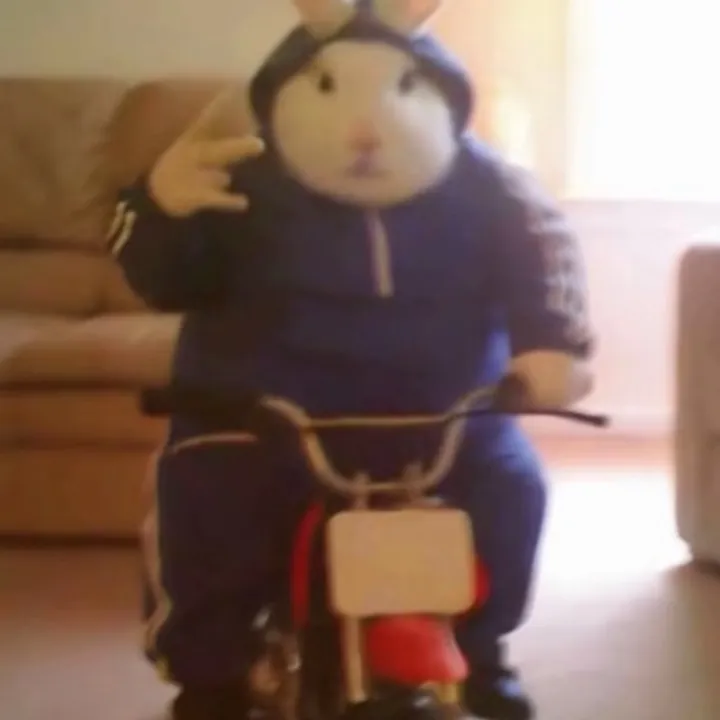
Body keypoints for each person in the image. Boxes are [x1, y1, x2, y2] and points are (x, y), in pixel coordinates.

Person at [108, 2, 594, 719]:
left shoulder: (490, 184)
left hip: (446, 417)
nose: (366, 135)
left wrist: (551, 349)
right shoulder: (238, 174)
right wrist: (160, 207)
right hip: (263, 417)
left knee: (512, 491)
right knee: (205, 502)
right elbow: (165, 281)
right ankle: (210, 676)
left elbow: (544, 258)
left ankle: (479, 647)